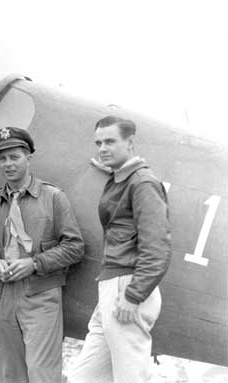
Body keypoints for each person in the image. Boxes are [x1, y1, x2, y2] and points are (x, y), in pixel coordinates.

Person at [0, 126, 85, 383]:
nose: (8, 164)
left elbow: (75, 247)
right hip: (4, 298)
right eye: (2, 158)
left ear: (28, 157)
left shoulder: (53, 197)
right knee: (8, 375)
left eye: (15, 157)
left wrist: (35, 263)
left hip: (41, 297)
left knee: (42, 375)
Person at [68, 116, 172, 383]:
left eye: (111, 141)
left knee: (131, 378)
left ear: (130, 143)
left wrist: (134, 296)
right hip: (111, 287)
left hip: (128, 289)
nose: (103, 148)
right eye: (99, 142)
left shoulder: (143, 184)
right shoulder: (122, 179)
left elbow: (157, 247)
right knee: (83, 378)